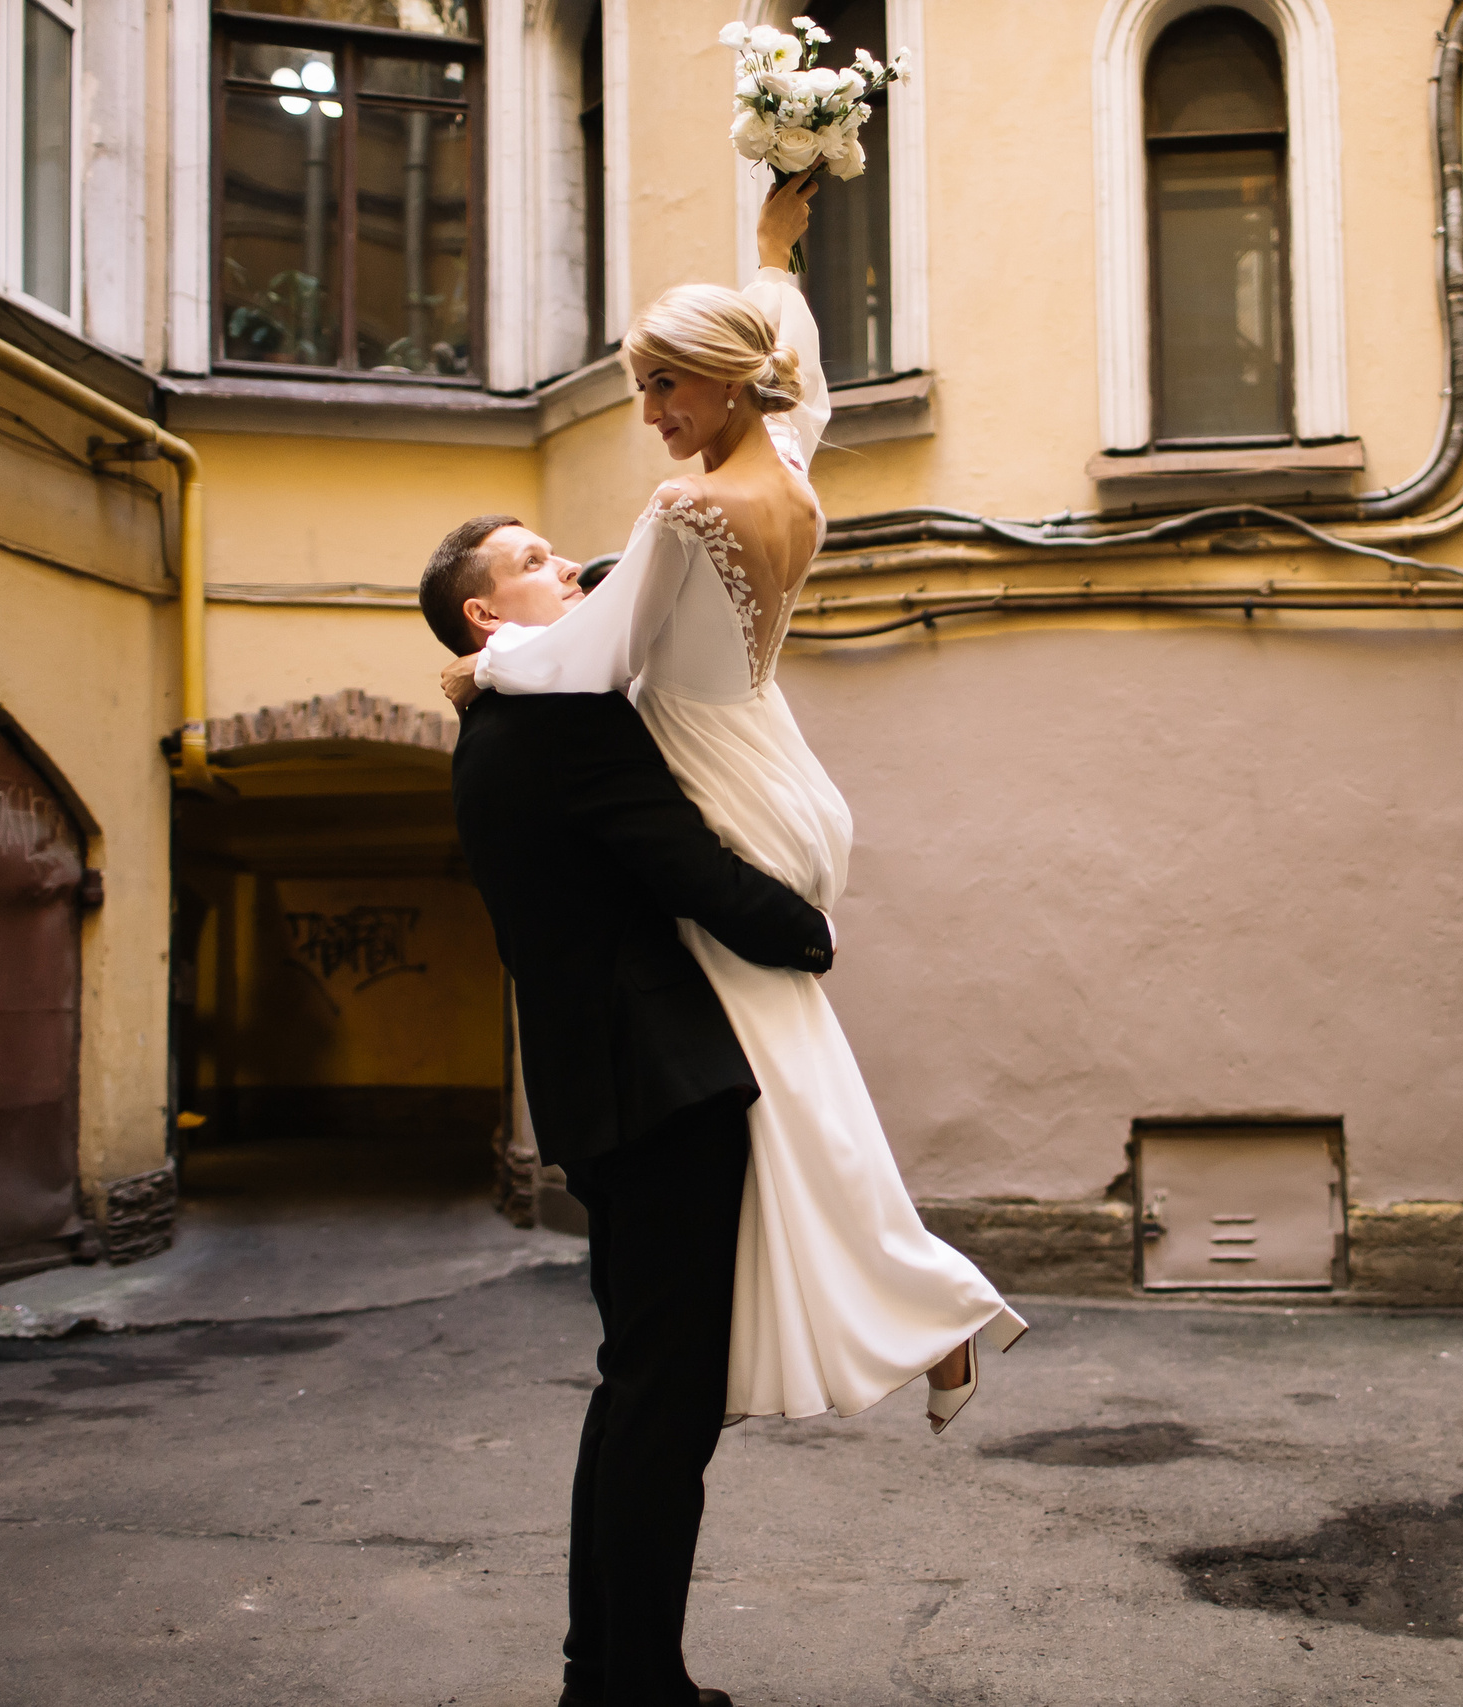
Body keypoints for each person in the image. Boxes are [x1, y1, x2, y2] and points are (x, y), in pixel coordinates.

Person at [439, 175, 1026, 1434]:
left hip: (724, 797)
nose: (648, 416)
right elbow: (798, 368)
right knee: (787, 1069)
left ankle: (928, 1307)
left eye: (662, 388)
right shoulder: (793, 461)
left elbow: (594, 658)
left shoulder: (688, 505)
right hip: (783, 777)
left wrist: (483, 660)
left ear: (718, 383)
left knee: (790, 1079)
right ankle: (912, 1307)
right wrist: (771, 254)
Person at [422, 511, 833, 1707]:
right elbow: (681, 863)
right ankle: (633, 1687)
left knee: (636, 1387)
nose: (564, 566)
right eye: (532, 561)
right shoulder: (557, 720)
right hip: (659, 1090)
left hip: (602, 1093)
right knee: (665, 1403)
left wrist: (608, 583)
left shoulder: (500, 726)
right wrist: (805, 930)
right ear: (484, 615)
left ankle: (604, 1672)